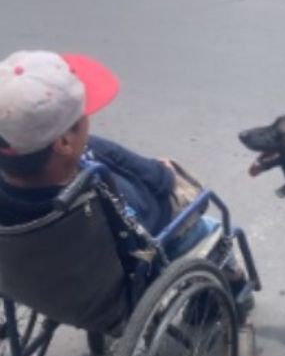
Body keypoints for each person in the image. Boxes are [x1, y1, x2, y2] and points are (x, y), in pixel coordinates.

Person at [0, 52, 243, 281]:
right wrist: (165, 175)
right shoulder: (96, 190)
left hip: (41, 280)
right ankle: (234, 294)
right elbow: (156, 184)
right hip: (132, 267)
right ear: (64, 142)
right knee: (212, 229)